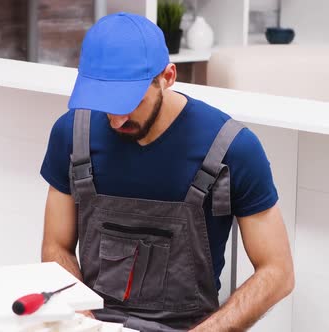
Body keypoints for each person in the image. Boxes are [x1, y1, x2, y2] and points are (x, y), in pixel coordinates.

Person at [40, 12, 294, 332]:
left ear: (168, 76)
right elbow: (56, 246)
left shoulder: (232, 148)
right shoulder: (71, 135)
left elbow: (277, 271)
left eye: (129, 102)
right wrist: (82, 319)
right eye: (105, 104)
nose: (116, 120)